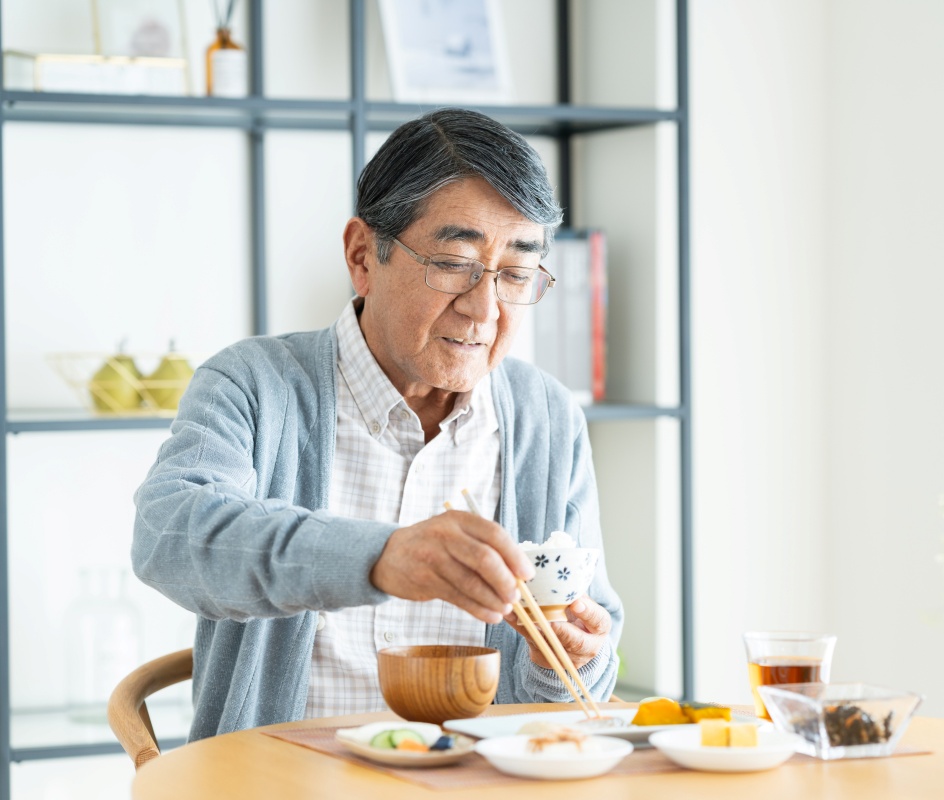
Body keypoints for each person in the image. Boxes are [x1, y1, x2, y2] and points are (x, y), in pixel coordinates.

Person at [132, 107, 623, 740]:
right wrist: (382, 558)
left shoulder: (546, 418)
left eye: (516, 274)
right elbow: (167, 535)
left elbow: (581, 677)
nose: (484, 309)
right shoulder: (254, 384)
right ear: (363, 255)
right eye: (454, 263)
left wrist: (566, 659)